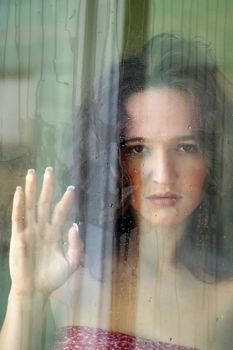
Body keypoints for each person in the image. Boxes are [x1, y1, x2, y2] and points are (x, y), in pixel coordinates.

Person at [1, 33, 233, 349]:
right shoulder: (67, 275)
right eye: (138, 149)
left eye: (185, 146)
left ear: (213, 160)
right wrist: (25, 295)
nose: (164, 174)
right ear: (110, 160)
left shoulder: (226, 300)